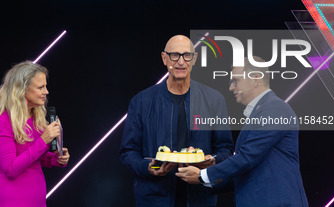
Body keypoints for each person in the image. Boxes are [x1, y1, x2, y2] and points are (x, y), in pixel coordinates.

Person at [176, 56, 309, 207]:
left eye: (235, 81)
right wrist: (205, 172)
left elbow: (247, 157)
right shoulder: (263, 111)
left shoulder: (275, 108)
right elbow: (245, 171)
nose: (231, 88)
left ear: (256, 79)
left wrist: (203, 176)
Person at [120, 35, 233, 207]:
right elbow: (128, 151)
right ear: (164, 58)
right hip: (154, 197)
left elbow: (225, 149)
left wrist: (210, 161)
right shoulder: (141, 101)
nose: (181, 62)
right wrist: (148, 168)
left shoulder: (214, 99)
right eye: (174, 55)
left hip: (200, 197)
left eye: (187, 55)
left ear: (194, 59)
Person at [0, 61, 70, 207]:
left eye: (45, 86)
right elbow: (10, 169)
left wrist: (56, 158)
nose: (46, 91)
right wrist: (43, 141)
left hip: (37, 199)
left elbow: (37, 158)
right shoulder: (4, 120)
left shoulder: (36, 118)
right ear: (21, 90)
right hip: (14, 200)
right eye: (40, 87)